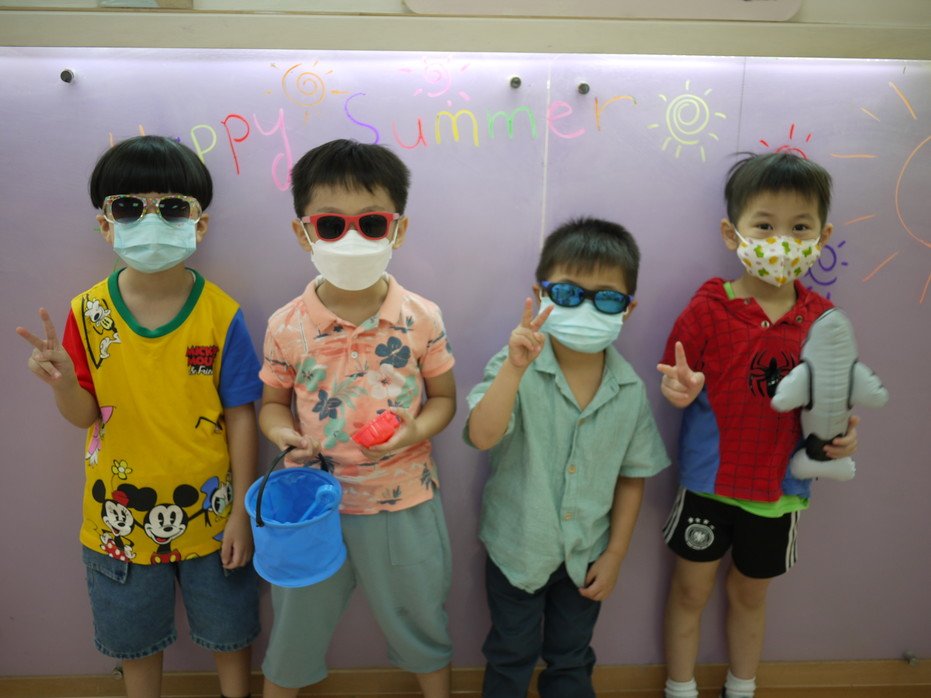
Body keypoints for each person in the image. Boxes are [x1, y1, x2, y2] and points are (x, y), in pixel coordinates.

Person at [16, 135, 262, 698]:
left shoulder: (221, 314)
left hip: (213, 517)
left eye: (172, 206)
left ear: (199, 224)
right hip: (117, 523)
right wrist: (62, 381)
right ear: (106, 225)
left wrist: (242, 513)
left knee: (230, 634)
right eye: (129, 206)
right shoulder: (87, 312)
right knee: (135, 644)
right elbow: (85, 415)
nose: (151, 220)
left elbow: (242, 416)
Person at [257, 139, 457, 698]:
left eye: (371, 223)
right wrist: (283, 434)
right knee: (294, 629)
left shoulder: (422, 317)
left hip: (403, 501)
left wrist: (415, 430)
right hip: (310, 505)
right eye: (330, 224)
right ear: (303, 232)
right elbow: (271, 404)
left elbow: (444, 399)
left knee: (421, 620)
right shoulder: (286, 325)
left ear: (398, 229)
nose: (351, 238)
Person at [657, 152, 860, 698]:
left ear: (822, 237)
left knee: (750, 595)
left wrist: (842, 437)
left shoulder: (824, 322)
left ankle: (741, 688)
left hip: (778, 490)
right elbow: (674, 377)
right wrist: (679, 391)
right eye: (765, 226)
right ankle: (679, 688)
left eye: (800, 228)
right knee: (690, 591)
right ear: (733, 233)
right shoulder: (707, 309)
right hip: (707, 483)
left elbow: (834, 404)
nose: (782, 241)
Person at [465, 217, 670, 698]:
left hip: (587, 556)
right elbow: (482, 435)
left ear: (628, 309)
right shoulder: (515, 365)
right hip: (518, 548)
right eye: (569, 293)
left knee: (572, 658)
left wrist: (615, 554)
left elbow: (632, 476)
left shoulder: (629, 390)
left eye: (607, 298)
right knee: (510, 653)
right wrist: (513, 370)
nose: (586, 307)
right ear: (541, 294)